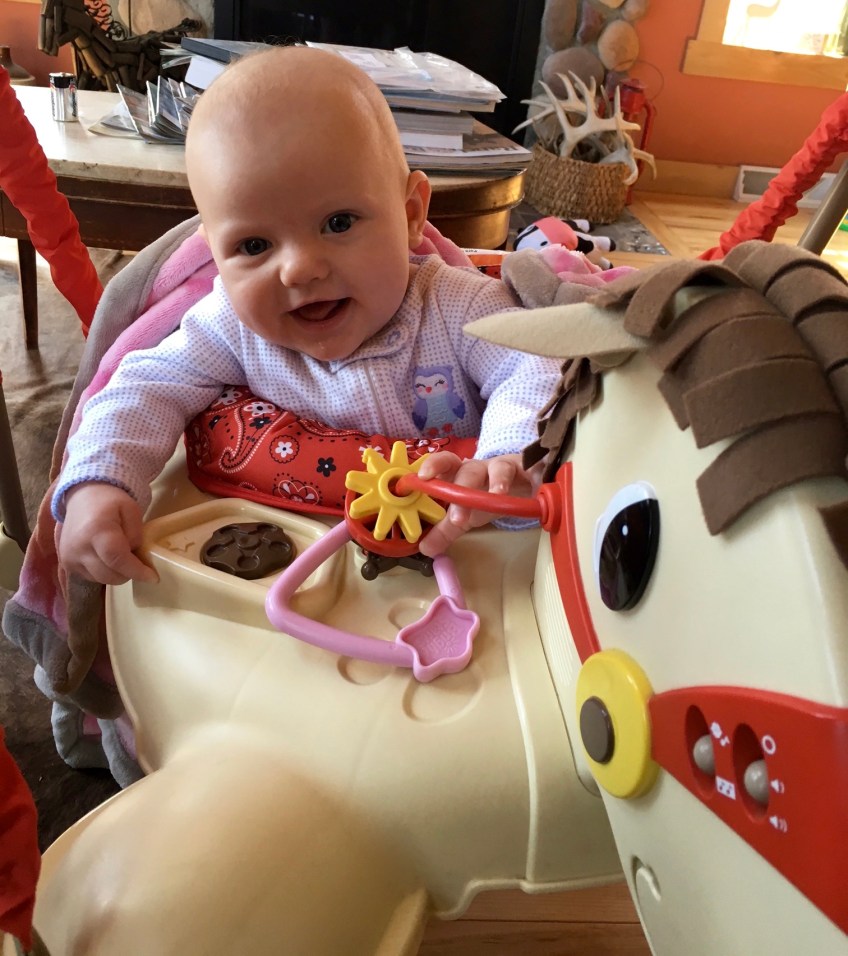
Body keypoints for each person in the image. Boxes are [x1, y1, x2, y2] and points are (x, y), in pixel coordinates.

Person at [54, 45, 560, 585]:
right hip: (292, 572)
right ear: (214, 254)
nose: (299, 269)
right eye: (253, 245)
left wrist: (509, 456)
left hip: (460, 566)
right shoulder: (231, 327)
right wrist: (101, 479)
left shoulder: (458, 306)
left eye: (338, 223)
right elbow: (146, 385)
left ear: (411, 213)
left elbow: (532, 363)